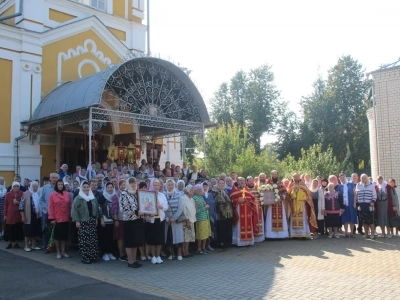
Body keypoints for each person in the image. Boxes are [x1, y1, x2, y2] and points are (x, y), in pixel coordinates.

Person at [71, 181, 100, 264]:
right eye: (84, 187)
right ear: (81, 188)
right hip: (83, 221)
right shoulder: (78, 198)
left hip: (92, 221)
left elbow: (96, 209)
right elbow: (74, 211)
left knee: (92, 239)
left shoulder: (93, 198)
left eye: (87, 187)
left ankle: (93, 256)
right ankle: (85, 257)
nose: (86, 188)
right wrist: (77, 221)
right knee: (84, 240)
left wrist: (96, 219)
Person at [119, 177, 145, 268]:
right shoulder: (124, 194)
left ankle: (134, 260)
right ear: (128, 184)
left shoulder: (137, 193)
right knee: (130, 242)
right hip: (129, 221)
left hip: (138, 220)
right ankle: (130, 261)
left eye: (135, 183)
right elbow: (124, 209)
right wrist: (136, 212)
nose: (133, 185)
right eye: (131, 183)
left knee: (135, 242)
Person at [287, 173, 318, 238]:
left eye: (297, 177)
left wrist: (301, 190)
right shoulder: (291, 184)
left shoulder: (302, 184)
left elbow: (308, 193)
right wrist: (292, 192)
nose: (295, 178)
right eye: (294, 177)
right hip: (294, 204)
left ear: (299, 177)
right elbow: (288, 193)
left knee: (303, 218)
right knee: (294, 219)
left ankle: (303, 234)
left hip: (302, 204)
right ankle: (294, 234)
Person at [146, 179, 168, 264]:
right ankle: (153, 256)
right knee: (152, 239)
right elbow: (145, 207)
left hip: (160, 219)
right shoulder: (148, 195)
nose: (156, 187)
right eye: (154, 185)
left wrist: (161, 206)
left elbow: (166, 207)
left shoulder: (162, 195)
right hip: (151, 220)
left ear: (160, 186)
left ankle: (158, 256)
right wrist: (149, 213)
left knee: (159, 239)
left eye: (157, 185)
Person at [48, 180, 71, 258]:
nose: (60, 186)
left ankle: (63, 251)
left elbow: (70, 205)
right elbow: (50, 207)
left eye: (61, 184)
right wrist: (52, 218)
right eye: (59, 184)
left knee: (64, 236)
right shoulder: (52, 195)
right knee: (57, 237)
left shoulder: (67, 194)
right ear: (56, 185)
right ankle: (58, 252)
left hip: (66, 218)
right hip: (57, 218)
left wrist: (70, 216)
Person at [230, 177, 256, 246]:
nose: (242, 182)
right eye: (240, 180)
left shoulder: (247, 189)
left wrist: (249, 201)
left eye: (243, 180)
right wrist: (237, 200)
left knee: (248, 224)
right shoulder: (234, 190)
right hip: (239, 210)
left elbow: (252, 199)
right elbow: (231, 200)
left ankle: (248, 241)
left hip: (247, 210)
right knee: (239, 225)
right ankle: (239, 242)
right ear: (237, 181)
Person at [264, 171, 289, 239]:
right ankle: (270, 235)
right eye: (273, 174)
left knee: (282, 218)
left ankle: (282, 235)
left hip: (279, 203)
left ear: (277, 175)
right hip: (271, 205)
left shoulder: (280, 183)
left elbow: (284, 193)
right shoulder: (267, 183)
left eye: (275, 174)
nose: (274, 175)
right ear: (271, 175)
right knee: (270, 218)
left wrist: (281, 198)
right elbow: (265, 193)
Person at [164, 179, 184, 261]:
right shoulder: (163, 195)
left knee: (178, 238)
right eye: (168, 185)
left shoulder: (179, 195)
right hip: (167, 221)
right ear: (166, 186)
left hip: (176, 220)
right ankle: (171, 253)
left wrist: (174, 218)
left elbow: (180, 208)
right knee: (169, 238)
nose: (170, 186)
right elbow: (163, 209)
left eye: (172, 184)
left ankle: (179, 254)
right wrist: (167, 218)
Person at [20, 181, 41, 251]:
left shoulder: (37, 194)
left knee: (34, 231)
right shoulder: (26, 194)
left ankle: (33, 245)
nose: (35, 188)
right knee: (27, 231)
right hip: (28, 215)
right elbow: (21, 206)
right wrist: (23, 216)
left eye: (36, 186)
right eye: (34, 186)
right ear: (31, 186)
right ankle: (26, 246)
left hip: (36, 216)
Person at [211, 179, 233, 247]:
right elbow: (221, 201)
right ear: (218, 184)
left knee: (227, 227)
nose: (222, 185)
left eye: (223, 183)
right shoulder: (215, 191)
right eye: (220, 183)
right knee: (221, 228)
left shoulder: (226, 191)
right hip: (220, 213)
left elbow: (229, 201)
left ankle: (228, 241)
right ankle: (221, 242)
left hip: (228, 213)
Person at [39, 173, 58, 250]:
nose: (55, 179)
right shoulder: (45, 188)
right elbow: (41, 199)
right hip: (46, 212)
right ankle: (45, 244)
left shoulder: (59, 188)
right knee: (45, 228)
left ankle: (54, 245)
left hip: (56, 212)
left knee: (55, 229)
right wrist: (47, 208)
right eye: (53, 178)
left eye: (56, 178)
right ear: (50, 178)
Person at [98, 182, 117, 261]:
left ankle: (110, 252)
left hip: (113, 221)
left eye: (111, 187)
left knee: (111, 237)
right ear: (106, 188)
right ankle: (105, 253)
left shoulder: (115, 197)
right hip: (105, 221)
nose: (110, 189)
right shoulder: (103, 197)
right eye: (108, 187)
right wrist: (101, 219)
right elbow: (99, 208)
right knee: (105, 237)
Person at [356, 174, 377, 239]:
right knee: (364, 221)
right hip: (362, 205)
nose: (363, 179)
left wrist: (372, 201)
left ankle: (372, 234)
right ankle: (366, 233)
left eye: (365, 178)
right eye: (362, 178)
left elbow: (374, 195)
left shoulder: (371, 185)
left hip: (369, 204)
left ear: (367, 178)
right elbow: (357, 195)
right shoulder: (358, 185)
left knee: (371, 221)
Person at [4, 181, 24, 249]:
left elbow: (23, 204)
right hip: (10, 214)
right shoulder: (8, 194)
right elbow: (6, 205)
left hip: (18, 214)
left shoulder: (22, 194)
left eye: (17, 186)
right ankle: (9, 243)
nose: (16, 187)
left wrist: (18, 203)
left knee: (17, 229)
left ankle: (16, 243)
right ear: (12, 187)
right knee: (9, 229)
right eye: (15, 186)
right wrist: (5, 215)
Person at [339, 173, 358, 237]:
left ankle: (352, 232)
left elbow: (355, 194)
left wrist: (354, 203)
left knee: (351, 218)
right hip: (344, 205)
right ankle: (346, 232)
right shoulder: (339, 186)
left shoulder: (351, 184)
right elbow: (339, 196)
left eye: (343, 177)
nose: (342, 179)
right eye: (341, 178)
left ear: (345, 177)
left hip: (351, 204)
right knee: (345, 219)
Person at [193, 184, 211, 254]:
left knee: (205, 234)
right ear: (195, 190)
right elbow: (195, 211)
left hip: (206, 217)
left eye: (201, 189)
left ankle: (204, 248)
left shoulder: (201, 197)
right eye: (199, 189)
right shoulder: (195, 198)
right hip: (200, 219)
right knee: (200, 235)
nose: (201, 191)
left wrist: (206, 207)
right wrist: (205, 208)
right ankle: (199, 248)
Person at [113, 179, 127, 261]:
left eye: (124, 184)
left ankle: (126, 253)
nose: (123, 186)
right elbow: (115, 209)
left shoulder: (128, 194)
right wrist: (116, 220)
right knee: (120, 238)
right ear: (119, 186)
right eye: (121, 185)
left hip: (127, 219)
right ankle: (121, 254)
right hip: (120, 219)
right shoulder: (116, 196)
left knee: (126, 237)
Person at [182, 184, 196, 257]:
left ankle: (187, 250)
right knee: (185, 237)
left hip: (192, 220)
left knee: (189, 238)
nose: (193, 191)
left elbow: (193, 209)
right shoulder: (183, 198)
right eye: (191, 190)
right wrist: (187, 219)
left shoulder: (192, 199)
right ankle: (183, 251)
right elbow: (184, 210)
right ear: (187, 190)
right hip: (186, 221)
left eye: (193, 190)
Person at [203, 182, 215, 250]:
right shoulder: (201, 195)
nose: (205, 188)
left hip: (211, 215)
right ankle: (203, 246)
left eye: (206, 186)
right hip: (204, 216)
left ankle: (209, 244)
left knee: (211, 230)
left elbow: (213, 204)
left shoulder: (210, 195)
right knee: (205, 231)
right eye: (204, 186)